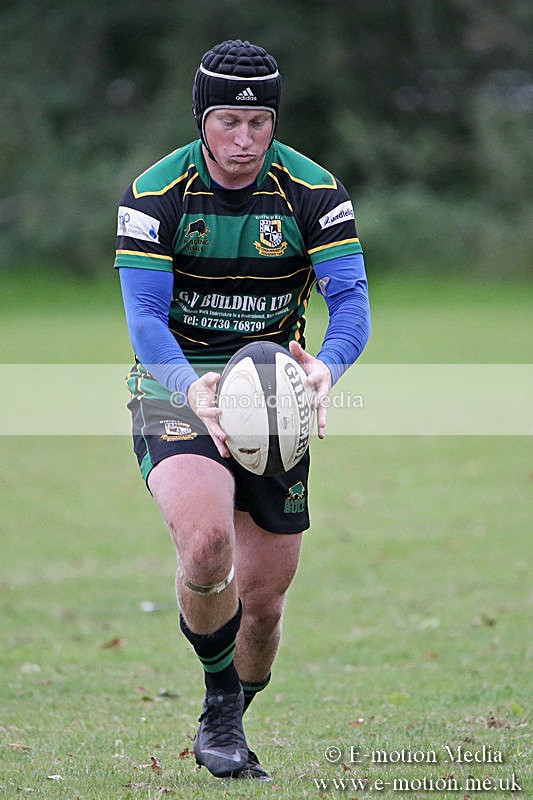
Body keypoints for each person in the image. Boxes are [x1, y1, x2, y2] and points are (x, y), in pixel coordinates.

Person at [115, 38, 370, 781]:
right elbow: (144, 317)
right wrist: (187, 384)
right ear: (202, 117)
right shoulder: (155, 193)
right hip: (177, 388)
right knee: (203, 548)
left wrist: (325, 366)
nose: (244, 139)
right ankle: (219, 708)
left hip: (275, 400)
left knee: (260, 609)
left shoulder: (313, 191)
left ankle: (240, 693)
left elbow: (349, 300)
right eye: (228, 121)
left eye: (259, 124)